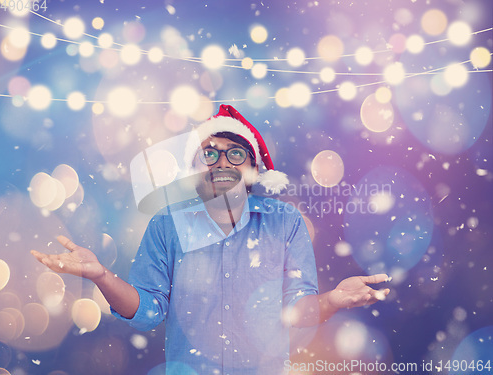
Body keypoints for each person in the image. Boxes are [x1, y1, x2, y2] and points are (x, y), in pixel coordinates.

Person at [32, 105, 390, 374]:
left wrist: (332, 300)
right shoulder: (167, 225)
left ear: (252, 168)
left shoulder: (285, 222)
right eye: (210, 153)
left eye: (235, 154)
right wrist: (101, 276)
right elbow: (147, 313)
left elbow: (297, 311)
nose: (222, 163)